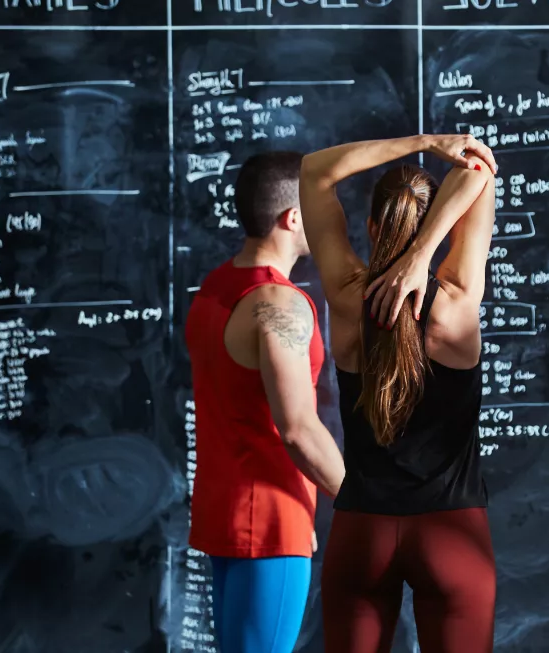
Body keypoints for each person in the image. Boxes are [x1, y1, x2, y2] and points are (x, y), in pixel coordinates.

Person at [299, 134, 499, 653]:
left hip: (362, 530)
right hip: (453, 532)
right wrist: (422, 254)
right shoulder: (457, 301)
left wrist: (426, 142)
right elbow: (479, 167)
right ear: (445, 224)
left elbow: (315, 171)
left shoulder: (346, 298)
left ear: (370, 227)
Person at [185, 151, 346, 653]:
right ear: (293, 219)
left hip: (224, 511)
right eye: (322, 207)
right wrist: (365, 501)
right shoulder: (279, 304)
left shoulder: (214, 289)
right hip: (271, 520)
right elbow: (297, 427)